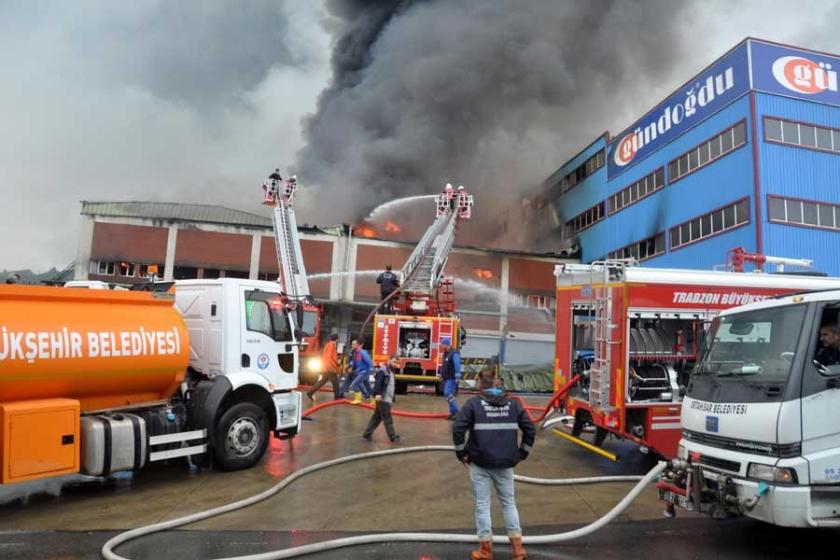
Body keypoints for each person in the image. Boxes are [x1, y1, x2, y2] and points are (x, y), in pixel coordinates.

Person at [453, 370, 535, 560]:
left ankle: (485, 551)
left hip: (480, 464)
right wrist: (522, 453)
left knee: (482, 505)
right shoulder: (513, 404)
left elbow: (458, 428)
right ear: (496, 383)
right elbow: (530, 429)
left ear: (480, 384)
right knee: (508, 504)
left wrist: (461, 453)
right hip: (506, 464)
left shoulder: (473, 404)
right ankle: (517, 550)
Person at [362, 356, 401, 443]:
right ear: (389, 360)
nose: (395, 364)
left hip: (387, 399)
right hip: (383, 399)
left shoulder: (390, 371)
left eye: (397, 363)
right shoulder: (383, 371)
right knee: (387, 418)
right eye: (394, 362)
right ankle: (393, 437)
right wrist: (378, 394)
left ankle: (366, 434)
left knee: (376, 418)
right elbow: (378, 383)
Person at [306, 333, 341, 401]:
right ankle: (337, 397)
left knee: (322, 381)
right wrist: (330, 367)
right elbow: (328, 357)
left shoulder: (328, 344)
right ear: (337, 339)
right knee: (335, 382)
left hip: (327, 367)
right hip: (330, 368)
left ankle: (310, 392)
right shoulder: (331, 345)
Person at [440, 336, 461, 419]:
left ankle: (456, 411)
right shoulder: (446, 354)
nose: (441, 346)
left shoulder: (454, 353)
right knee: (449, 395)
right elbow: (445, 366)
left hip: (451, 378)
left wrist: (457, 377)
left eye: (442, 344)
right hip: (446, 378)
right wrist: (442, 375)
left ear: (446, 344)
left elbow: (457, 365)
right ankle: (453, 413)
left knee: (448, 393)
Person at [348, 338, 373, 403]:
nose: (353, 345)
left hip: (364, 372)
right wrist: (350, 366)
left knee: (353, 385)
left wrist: (371, 370)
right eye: (353, 344)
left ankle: (358, 399)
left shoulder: (363, 352)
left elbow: (369, 361)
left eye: (355, 344)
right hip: (360, 372)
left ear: (360, 345)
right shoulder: (356, 353)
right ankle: (373, 400)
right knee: (368, 387)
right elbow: (354, 362)